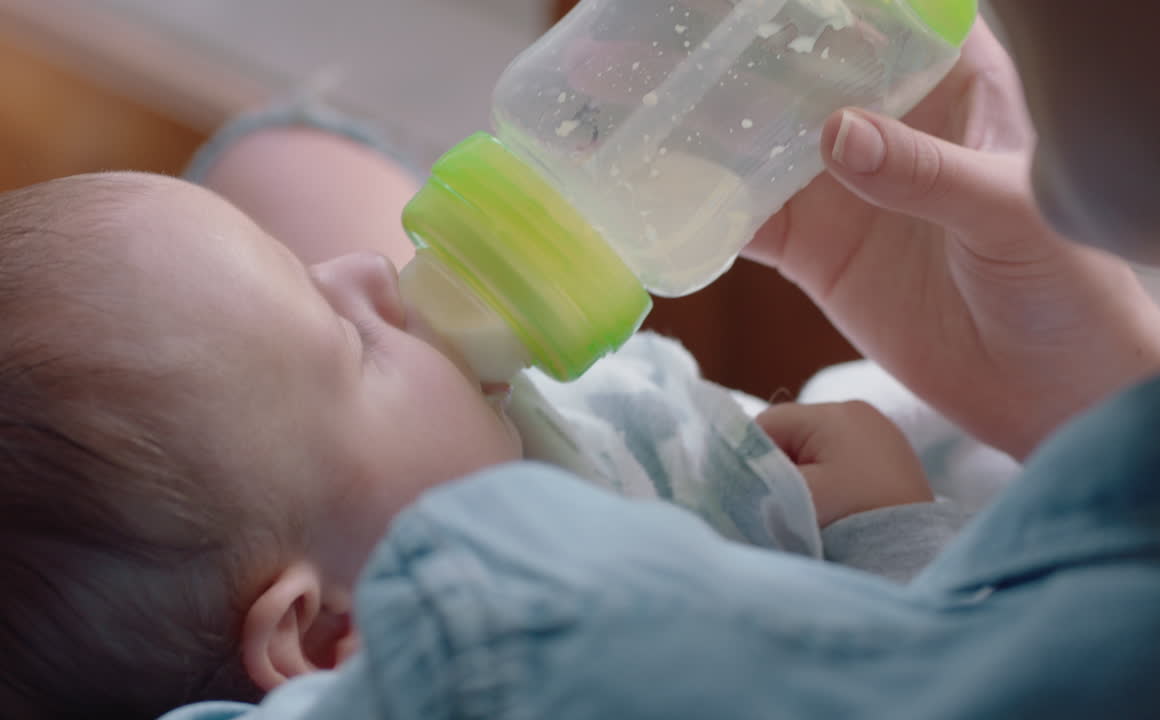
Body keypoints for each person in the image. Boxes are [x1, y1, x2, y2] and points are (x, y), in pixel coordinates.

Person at [162, 4, 1160, 718]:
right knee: (288, 161)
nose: (359, 272)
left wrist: (889, 542)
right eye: (343, 325)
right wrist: (1101, 386)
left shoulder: (513, 630)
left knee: (279, 171)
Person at [0, 86, 955, 720]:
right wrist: (888, 534)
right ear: (329, 636)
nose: (372, 270)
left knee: (281, 153)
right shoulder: (568, 662)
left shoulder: (414, 502)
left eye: (305, 268)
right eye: (356, 346)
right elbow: (935, 686)